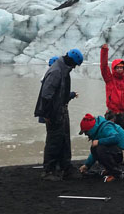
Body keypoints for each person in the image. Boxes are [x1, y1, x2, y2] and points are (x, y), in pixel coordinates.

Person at [34, 48, 84, 181]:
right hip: (54, 113)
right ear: (71, 61)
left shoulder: (63, 69)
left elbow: (59, 94)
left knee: (64, 139)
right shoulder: (56, 71)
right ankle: (48, 171)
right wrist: (47, 115)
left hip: (61, 111)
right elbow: (46, 95)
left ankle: (65, 168)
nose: (74, 68)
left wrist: (70, 96)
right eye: (74, 65)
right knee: (54, 141)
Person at [78, 113, 124, 182]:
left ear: (91, 129)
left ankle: (117, 174)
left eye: (85, 132)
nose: (85, 134)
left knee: (101, 148)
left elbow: (116, 138)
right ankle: (110, 170)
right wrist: (87, 165)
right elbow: (94, 153)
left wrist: (99, 141)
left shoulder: (106, 127)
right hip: (120, 152)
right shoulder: (98, 130)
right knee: (95, 148)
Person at [38, 56, 78, 124]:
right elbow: (58, 97)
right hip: (53, 115)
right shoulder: (54, 76)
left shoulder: (47, 78)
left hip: (52, 114)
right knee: (55, 131)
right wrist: (72, 94)